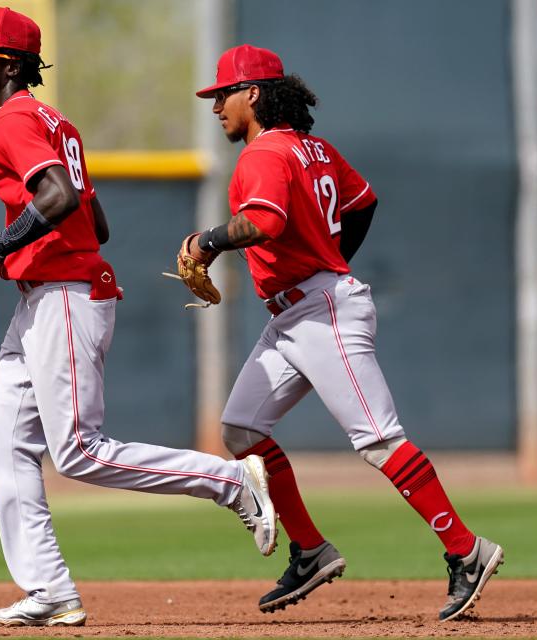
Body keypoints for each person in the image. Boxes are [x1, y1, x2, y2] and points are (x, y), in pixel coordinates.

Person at [0, 8, 280, 628]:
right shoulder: (56, 122)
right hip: (49, 296)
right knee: (6, 446)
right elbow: (94, 223)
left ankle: (231, 482)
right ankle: (48, 590)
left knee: (78, 452)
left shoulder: (10, 121)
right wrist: (4, 261)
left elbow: (59, 199)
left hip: (66, 299)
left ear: (10, 65)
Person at [177, 44, 504, 622]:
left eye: (223, 94)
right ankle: (309, 548)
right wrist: (332, 257)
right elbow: (364, 201)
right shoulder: (315, 149)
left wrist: (206, 241)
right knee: (240, 431)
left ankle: (466, 550)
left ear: (253, 94)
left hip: (322, 310)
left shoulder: (264, 153)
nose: (216, 106)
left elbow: (265, 221)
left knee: (379, 439)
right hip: (298, 310)